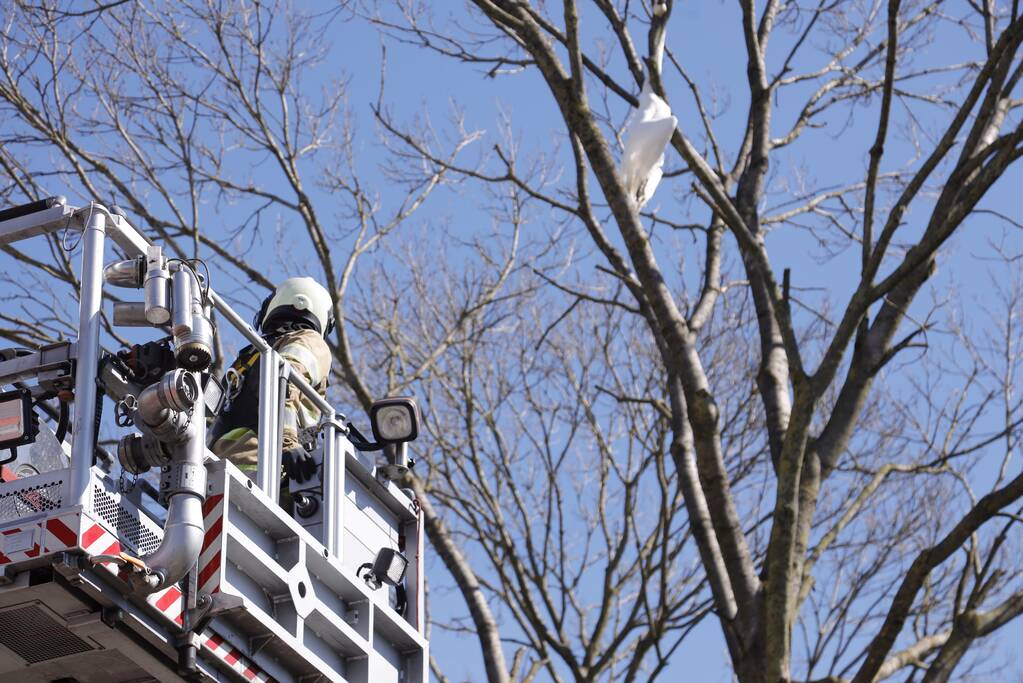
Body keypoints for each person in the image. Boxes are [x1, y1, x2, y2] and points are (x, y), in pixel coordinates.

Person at [209, 277, 333, 486]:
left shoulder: (302, 342)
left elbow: (284, 382)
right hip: (246, 471)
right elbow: (284, 381)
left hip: (238, 473)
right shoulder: (266, 352)